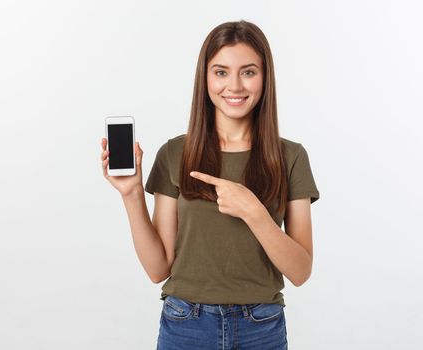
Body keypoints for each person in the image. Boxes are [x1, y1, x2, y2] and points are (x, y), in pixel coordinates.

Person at [100, 19, 319, 350]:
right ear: (205, 78)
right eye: (220, 72)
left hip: (262, 327)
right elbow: (159, 269)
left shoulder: (290, 156)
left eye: (248, 72)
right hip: (186, 324)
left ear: (265, 78)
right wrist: (131, 195)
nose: (234, 85)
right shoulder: (176, 153)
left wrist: (253, 212)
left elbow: (301, 272)